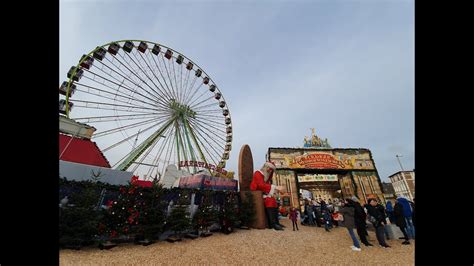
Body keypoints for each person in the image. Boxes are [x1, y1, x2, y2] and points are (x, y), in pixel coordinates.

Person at [250, 161, 285, 230]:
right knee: (270, 201)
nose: (270, 170)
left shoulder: (265, 177)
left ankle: (276, 222)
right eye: (269, 168)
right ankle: (272, 224)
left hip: (262, 193)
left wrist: (274, 191)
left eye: (271, 169)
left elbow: (265, 187)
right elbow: (261, 185)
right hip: (256, 193)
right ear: (265, 167)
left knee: (273, 201)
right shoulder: (258, 173)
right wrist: (276, 187)